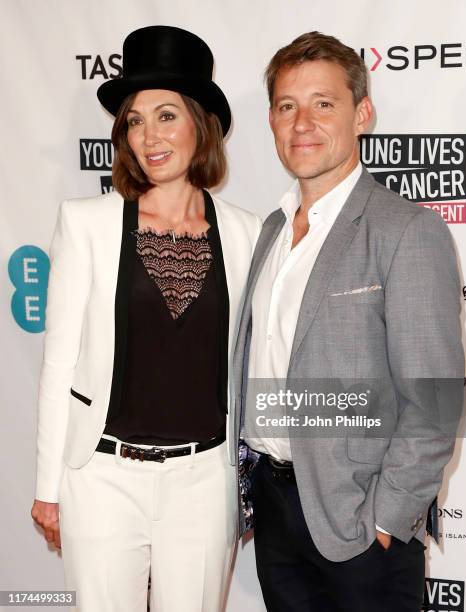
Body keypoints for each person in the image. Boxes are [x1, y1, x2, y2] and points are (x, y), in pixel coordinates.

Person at [31, 25, 261, 612]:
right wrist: (47, 490)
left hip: (205, 481)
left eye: (166, 115)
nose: (150, 136)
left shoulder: (246, 232)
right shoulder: (86, 223)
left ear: (199, 126)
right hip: (104, 476)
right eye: (135, 120)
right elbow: (59, 364)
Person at [233, 32, 464, 611]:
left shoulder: (406, 231)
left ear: (363, 114)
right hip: (277, 512)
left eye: (323, 103)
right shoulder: (271, 230)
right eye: (288, 106)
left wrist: (387, 516)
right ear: (271, 120)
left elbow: (434, 399)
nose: (302, 122)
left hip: (361, 527)